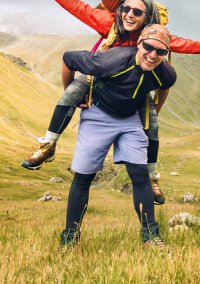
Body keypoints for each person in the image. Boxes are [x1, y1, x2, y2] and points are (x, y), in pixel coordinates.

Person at [22, 0, 200, 205]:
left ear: (147, 17)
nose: (129, 15)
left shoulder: (152, 36)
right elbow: (75, 6)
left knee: (152, 123)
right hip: (103, 79)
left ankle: (151, 178)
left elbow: (183, 44)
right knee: (72, 91)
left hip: (136, 88)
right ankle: (47, 145)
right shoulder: (109, 22)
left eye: (137, 12)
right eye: (125, 9)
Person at [60, 24, 176, 247]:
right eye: (149, 47)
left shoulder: (166, 73)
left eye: (160, 52)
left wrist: (156, 112)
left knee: (140, 176)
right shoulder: (109, 60)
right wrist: (73, 95)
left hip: (130, 120)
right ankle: (69, 238)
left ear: (165, 54)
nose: (153, 55)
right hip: (99, 115)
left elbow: (164, 87)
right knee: (83, 177)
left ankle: (151, 237)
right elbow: (68, 58)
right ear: (139, 43)